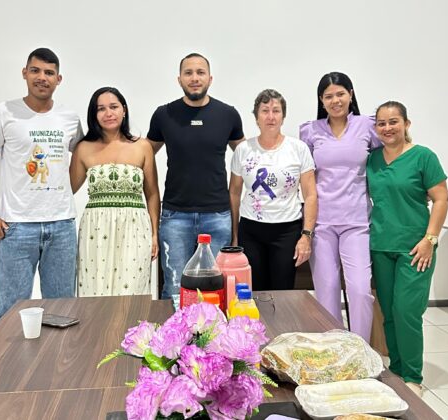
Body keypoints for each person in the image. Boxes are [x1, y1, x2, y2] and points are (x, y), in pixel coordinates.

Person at [0, 48, 83, 321]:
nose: (42, 77)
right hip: (16, 227)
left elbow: (83, 158)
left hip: (62, 226)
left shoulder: (70, 118)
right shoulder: (3, 112)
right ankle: (8, 353)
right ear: (24, 73)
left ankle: (58, 352)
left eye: (49, 72)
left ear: (59, 79)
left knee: (62, 311)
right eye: (35, 71)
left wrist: (63, 191)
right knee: (10, 312)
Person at [147, 53, 245, 304]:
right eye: (188, 73)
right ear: (179, 79)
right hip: (175, 217)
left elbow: (248, 157)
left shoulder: (228, 115)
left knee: (216, 290)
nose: (194, 78)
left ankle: (213, 332)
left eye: (200, 72)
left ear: (210, 78)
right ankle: (175, 331)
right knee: (175, 289)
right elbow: (143, 154)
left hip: (218, 216)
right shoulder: (164, 115)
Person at [367, 101, 448, 396]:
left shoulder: (423, 157)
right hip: (381, 245)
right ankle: (397, 370)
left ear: (406, 124)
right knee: (389, 313)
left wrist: (430, 239)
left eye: (393, 122)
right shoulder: (372, 160)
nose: (387, 128)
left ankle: (413, 376)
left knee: (407, 312)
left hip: (415, 248)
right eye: (382, 123)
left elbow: (441, 198)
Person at [299, 72, 380, 342]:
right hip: (321, 224)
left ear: (351, 94)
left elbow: (390, 155)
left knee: (360, 290)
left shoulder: (367, 126)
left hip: (357, 223)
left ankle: (360, 350)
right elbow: (305, 176)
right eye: (329, 96)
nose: (335, 100)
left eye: (340, 94)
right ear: (321, 100)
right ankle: (333, 350)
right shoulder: (310, 130)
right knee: (327, 292)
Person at [70, 87, 160, 296]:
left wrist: (155, 233)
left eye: (113, 107)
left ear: (124, 110)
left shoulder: (142, 146)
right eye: (101, 109)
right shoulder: (83, 148)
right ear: (94, 115)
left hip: (135, 227)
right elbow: (67, 190)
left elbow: (153, 194)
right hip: (95, 228)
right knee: (95, 292)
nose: (108, 113)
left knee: (133, 293)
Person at [229, 89, 317, 290]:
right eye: (265, 111)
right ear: (256, 117)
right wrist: (234, 234)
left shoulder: (298, 149)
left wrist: (306, 235)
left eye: (276, 111)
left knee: (282, 291)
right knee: (253, 291)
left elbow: (311, 195)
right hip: (251, 230)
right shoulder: (243, 150)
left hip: (287, 231)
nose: (271, 116)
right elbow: (234, 193)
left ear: (283, 116)